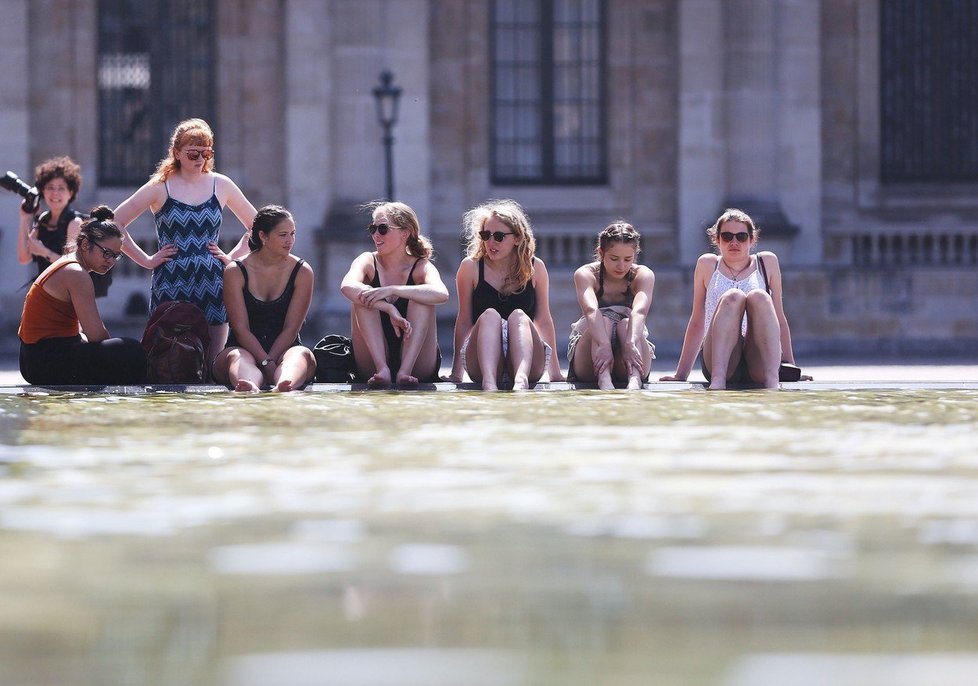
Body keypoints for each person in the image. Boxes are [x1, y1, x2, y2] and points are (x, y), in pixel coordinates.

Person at [112, 118, 258, 363]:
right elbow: (114, 223)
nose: (200, 159)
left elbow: (258, 226)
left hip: (212, 281)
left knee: (211, 365)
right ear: (177, 153)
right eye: (192, 153)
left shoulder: (221, 184)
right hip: (171, 281)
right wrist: (146, 260)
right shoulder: (160, 187)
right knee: (166, 360)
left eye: (206, 152)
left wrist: (231, 258)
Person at [660, 208, 802, 389]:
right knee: (733, 297)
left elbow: (779, 319)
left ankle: (772, 381)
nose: (734, 242)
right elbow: (697, 320)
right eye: (727, 236)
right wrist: (681, 375)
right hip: (719, 357)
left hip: (757, 357)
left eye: (741, 236)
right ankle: (718, 381)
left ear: (752, 239)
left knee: (760, 297)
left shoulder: (767, 262)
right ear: (717, 240)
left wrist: (791, 368)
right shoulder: (707, 264)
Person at [18, 206, 145, 385]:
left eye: (116, 256)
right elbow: (97, 336)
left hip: (34, 359)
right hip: (43, 362)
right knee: (132, 351)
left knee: (122, 350)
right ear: (86, 244)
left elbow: (80, 332)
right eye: (107, 253)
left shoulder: (69, 264)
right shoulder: (76, 273)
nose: (111, 261)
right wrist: (114, 356)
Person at [450, 199, 564, 390]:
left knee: (519, 316)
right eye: (486, 235)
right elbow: (464, 321)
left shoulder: (536, 267)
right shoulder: (470, 267)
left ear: (517, 238)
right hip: (482, 360)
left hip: (527, 358)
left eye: (499, 236)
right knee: (490, 315)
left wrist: (555, 373)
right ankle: (489, 383)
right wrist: (456, 374)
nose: (491, 242)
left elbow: (543, 320)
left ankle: (521, 381)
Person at [340, 201, 448, 387]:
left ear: (404, 233)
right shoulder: (367, 260)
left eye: (382, 229)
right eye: (372, 228)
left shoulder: (421, 266)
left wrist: (393, 290)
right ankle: (383, 369)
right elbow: (347, 286)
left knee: (420, 298)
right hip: (372, 363)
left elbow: (441, 293)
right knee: (363, 298)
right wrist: (387, 307)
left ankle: (404, 371)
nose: (375, 235)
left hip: (418, 364)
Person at [212, 205, 316, 392]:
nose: (290, 240)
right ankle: (249, 385)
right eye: (283, 235)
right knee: (239, 357)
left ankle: (286, 384)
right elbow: (240, 328)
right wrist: (265, 362)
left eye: (293, 234)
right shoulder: (235, 271)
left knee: (300, 354)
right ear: (263, 236)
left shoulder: (302, 271)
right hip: (241, 348)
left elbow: (292, 328)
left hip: (286, 349)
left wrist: (271, 361)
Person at [567, 221, 656, 390]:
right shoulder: (586, 274)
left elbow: (640, 311)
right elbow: (591, 310)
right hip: (591, 354)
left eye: (628, 259)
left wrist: (630, 343)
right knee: (605, 321)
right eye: (614, 259)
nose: (621, 266)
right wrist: (604, 344)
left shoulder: (643, 275)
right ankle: (604, 380)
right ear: (601, 253)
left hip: (630, 346)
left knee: (626, 324)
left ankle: (634, 381)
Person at [16, 157, 112, 296]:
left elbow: (75, 266)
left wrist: (44, 252)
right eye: (50, 188)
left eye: (61, 188)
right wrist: (25, 218)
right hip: (44, 293)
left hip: (67, 297)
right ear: (43, 191)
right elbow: (24, 257)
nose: (55, 193)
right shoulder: (43, 219)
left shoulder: (75, 222)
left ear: (71, 193)